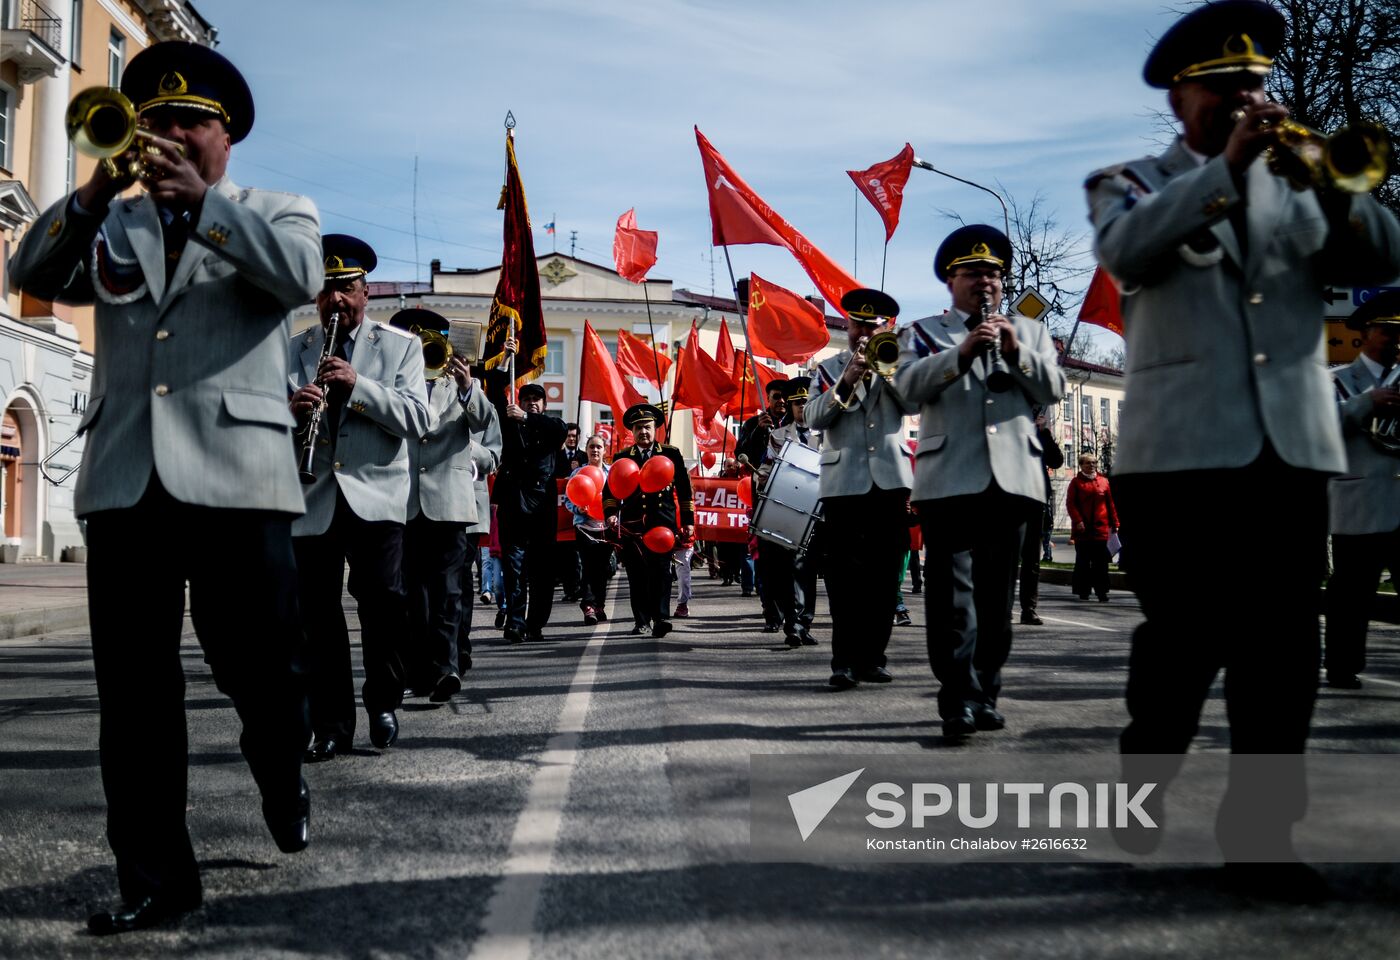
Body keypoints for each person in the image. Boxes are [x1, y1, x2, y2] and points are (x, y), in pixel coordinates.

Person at [1086, 0, 1400, 896]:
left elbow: (1381, 255)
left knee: (1280, 652)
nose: (1245, 100)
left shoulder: (1304, 183)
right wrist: (1225, 169)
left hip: (1289, 453)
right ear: (1183, 96)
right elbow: (1130, 255)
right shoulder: (1133, 182)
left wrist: (1344, 186)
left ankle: (1261, 837)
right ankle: (1145, 776)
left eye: (1255, 86)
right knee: (1184, 640)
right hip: (1177, 458)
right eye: (1224, 88)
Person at [8, 41, 321, 933]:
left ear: (227, 138)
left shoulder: (275, 212)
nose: (172, 135)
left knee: (262, 667)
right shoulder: (113, 222)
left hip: (239, 481)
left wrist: (208, 209)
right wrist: (97, 191)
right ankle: (154, 880)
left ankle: (280, 765)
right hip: (127, 481)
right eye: (157, 121)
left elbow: (298, 278)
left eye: (192, 122)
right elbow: (29, 274)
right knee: (135, 694)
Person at [894, 225, 1065, 736]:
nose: (985, 282)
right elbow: (905, 389)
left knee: (996, 599)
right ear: (951, 280)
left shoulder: (1030, 331)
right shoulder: (923, 334)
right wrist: (962, 353)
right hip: (949, 481)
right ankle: (958, 698)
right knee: (951, 600)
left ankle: (987, 690)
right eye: (973, 274)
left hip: (1012, 481)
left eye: (993, 274)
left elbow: (1053, 388)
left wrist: (1017, 352)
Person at [289, 236, 431, 761]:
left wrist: (358, 386)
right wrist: (290, 411)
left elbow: (420, 419)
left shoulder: (402, 348)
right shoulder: (295, 347)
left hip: (376, 498)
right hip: (313, 496)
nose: (336, 301)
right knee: (316, 618)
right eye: (326, 292)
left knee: (385, 605)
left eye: (345, 289)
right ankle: (331, 724)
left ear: (366, 292)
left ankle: (384, 701)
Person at [807, 289, 917, 688]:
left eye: (872, 327)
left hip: (890, 483)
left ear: (885, 328)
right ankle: (844, 662)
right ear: (847, 326)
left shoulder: (898, 364)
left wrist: (886, 370)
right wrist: (846, 380)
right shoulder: (827, 368)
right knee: (844, 580)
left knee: (886, 577)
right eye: (858, 326)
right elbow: (814, 418)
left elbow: (912, 402)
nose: (864, 334)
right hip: (844, 486)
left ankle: (874, 657)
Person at [396, 309, 498, 703]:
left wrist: (469, 387)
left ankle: (446, 668)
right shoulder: (395, 381)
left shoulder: (458, 383)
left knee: (448, 592)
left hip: (451, 502)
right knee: (412, 596)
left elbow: (485, 426)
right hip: (405, 502)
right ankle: (417, 673)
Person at [1324, 291, 1400, 688]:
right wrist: (1367, 403)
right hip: (1360, 501)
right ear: (1366, 333)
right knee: (1352, 593)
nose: (1395, 340)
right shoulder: (1336, 381)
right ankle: (1341, 664)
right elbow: (1320, 429)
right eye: (1388, 331)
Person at [604, 404, 694, 636]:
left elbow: (685, 490)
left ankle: (661, 617)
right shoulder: (622, 457)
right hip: (634, 527)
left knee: (662, 573)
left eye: (647, 427)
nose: (643, 431)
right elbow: (609, 491)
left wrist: (688, 520)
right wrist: (611, 514)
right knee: (637, 575)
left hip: (663, 525)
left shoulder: (671, 454)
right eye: (638, 428)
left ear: (655, 429)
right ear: (632, 432)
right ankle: (641, 621)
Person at [492, 368, 567, 643]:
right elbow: (494, 402)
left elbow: (558, 431)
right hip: (513, 509)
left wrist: (526, 418)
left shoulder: (552, 427)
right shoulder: (508, 425)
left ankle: (535, 623)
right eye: (526, 399)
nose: (532, 402)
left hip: (541, 512)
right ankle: (515, 623)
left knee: (542, 574)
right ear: (518, 401)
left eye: (537, 399)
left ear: (544, 405)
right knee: (513, 570)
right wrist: (503, 368)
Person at [758, 376, 821, 646]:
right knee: (789, 568)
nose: (800, 408)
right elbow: (765, 468)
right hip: (789, 511)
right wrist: (760, 477)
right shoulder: (778, 436)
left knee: (809, 569)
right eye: (796, 404)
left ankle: (804, 622)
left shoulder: (827, 437)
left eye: (805, 403)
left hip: (819, 515)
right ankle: (793, 624)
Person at [457, 400, 503, 673]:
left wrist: (462, 445)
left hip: (467, 507)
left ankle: (459, 647)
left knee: (459, 582)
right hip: (420, 507)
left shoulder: (480, 403)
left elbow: (493, 458)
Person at [1019, 414, 1065, 624]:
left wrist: (1044, 433)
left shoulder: (1040, 434)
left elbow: (1056, 460)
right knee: (1005, 555)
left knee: (1032, 558)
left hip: (1035, 498)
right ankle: (998, 605)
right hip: (1007, 496)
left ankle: (1029, 608)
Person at [567, 435, 613, 624]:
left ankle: (599, 605)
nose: (595, 450)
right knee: (588, 566)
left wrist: (614, 514)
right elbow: (569, 499)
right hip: (585, 527)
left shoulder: (611, 472)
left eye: (599, 447)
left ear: (605, 450)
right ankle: (588, 606)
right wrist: (577, 508)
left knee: (603, 569)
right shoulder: (578, 472)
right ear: (586, 449)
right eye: (592, 446)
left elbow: (619, 497)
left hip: (606, 527)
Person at [1065, 453, 1118, 602]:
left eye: (1094, 463)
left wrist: (1115, 523)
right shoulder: (1076, 483)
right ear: (1081, 465)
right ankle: (1083, 591)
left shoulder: (1103, 481)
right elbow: (1071, 504)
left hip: (1101, 528)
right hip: (1083, 529)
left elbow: (1110, 504)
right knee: (1083, 561)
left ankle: (1102, 592)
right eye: (1088, 463)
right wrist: (1078, 520)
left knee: (1101, 563)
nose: (1092, 465)